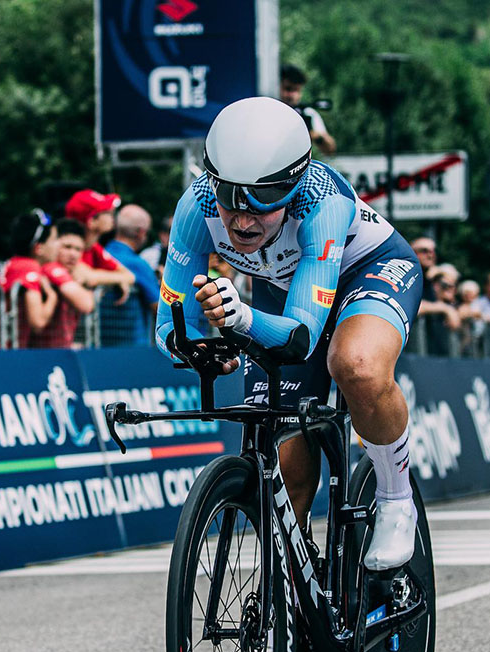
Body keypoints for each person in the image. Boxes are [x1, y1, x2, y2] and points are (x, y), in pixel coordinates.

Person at [157, 96, 423, 575]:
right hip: (284, 292)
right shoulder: (195, 207)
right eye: (230, 196)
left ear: (293, 183)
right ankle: (291, 593)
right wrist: (197, 350)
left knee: (355, 364)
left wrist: (238, 319)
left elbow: (300, 337)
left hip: (366, 273)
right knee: (282, 454)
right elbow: (171, 322)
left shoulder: (322, 201)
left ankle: (395, 497)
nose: (241, 219)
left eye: (262, 202)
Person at [0, 210, 61, 349]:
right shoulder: (28, 267)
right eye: (55, 239)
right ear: (39, 248)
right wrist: (52, 296)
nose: (59, 245)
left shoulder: (17, 263)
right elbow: (38, 321)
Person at [29, 218, 97, 349]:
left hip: (58, 350)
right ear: (54, 245)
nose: (73, 254)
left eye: (78, 249)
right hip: (41, 353)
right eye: (67, 247)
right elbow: (86, 304)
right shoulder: (50, 268)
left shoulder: (72, 273)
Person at [102, 204, 160, 347]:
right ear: (141, 232)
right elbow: (159, 307)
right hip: (132, 348)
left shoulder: (101, 255)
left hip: (98, 346)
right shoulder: (138, 264)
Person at [279, 64, 336, 155]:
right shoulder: (270, 110)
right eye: (288, 89)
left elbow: (330, 149)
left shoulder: (307, 113)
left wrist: (313, 135)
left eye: (297, 90)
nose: (293, 95)